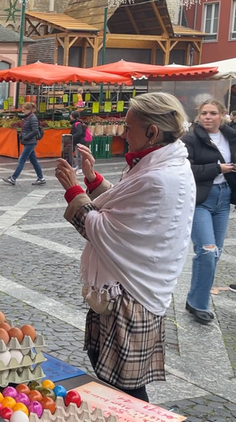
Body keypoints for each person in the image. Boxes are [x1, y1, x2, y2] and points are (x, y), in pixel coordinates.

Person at [54, 92, 195, 402]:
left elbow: (103, 230)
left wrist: (73, 190)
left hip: (129, 292)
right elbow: (124, 205)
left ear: (152, 132)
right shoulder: (165, 163)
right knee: (112, 373)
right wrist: (92, 180)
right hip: (127, 287)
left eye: (128, 127)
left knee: (125, 387)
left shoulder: (158, 177)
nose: (122, 133)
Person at [181, 99, 236, 324]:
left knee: (216, 253)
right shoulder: (191, 138)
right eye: (204, 113)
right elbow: (186, 169)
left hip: (223, 199)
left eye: (213, 113)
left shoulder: (231, 137)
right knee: (207, 250)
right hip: (201, 199)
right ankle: (199, 305)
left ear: (222, 115)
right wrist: (217, 168)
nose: (207, 117)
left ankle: (195, 299)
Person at [3, 102, 45, 186]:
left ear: (29, 109)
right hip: (29, 141)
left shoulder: (32, 118)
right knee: (34, 161)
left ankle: (13, 178)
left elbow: (35, 131)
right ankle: (41, 178)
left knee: (21, 160)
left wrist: (26, 137)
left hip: (30, 142)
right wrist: (22, 135)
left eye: (24, 109)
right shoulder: (28, 118)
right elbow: (27, 129)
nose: (23, 111)